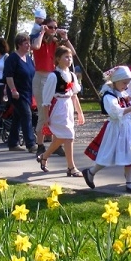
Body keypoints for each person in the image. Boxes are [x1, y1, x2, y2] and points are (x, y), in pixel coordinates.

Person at [82, 66, 131, 194]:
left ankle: (129, 182)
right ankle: (91, 172)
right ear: (115, 81)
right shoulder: (108, 96)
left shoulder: (120, 93)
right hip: (115, 129)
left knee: (130, 154)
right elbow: (115, 113)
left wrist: (129, 102)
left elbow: (124, 104)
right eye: (124, 83)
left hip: (126, 128)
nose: (126, 86)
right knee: (108, 155)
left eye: (127, 83)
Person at [36, 46, 85, 176]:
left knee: (60, 137)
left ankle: (44, 156)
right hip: (58, 107)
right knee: (68, 136)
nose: (69, 59)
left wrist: (79, 112)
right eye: (66, 57)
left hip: (68, 106)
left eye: (70, 57)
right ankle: (71, 167)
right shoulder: (53, 76)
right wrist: (46, 117)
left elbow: (74, 95)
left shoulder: (72, 76)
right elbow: (46, 98)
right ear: (58, 59)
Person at [31, 17, 76, 155]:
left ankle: (56, 144)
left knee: (55, 112)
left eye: (55, 27)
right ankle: (40, 145)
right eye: (50, 27)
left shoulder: (55, 43)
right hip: (40, 77)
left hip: (53, 78)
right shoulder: (37, 38)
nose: (53, 30)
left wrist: (65, 38)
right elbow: (36, 47)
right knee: (43, 112)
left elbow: (71, 53)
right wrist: (42, 32)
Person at [4, 32, 38, 153]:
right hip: (17, 93)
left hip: (28, 92)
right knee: (26, 115)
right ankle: (30, 143)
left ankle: (13, 143)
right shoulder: (12, 58)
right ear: (19, 44)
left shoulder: (28, 59)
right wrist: (13, 90)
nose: (28, 45)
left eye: (29, 43)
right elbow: (8, 76)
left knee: (18, 117)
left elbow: (33, 74)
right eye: (26, 43)